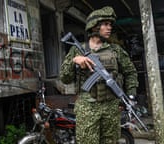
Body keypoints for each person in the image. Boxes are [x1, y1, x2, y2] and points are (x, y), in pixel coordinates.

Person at [59, 6, 138, 144]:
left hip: (111, 108)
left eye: (110, 25)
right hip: (87, 108)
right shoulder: (77, 49)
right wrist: (74, 61)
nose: (110, 28)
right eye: (105, 24)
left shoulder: (115, 50)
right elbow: (65, 78)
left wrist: (130, 96)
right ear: (94, 27)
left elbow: (130, 72)